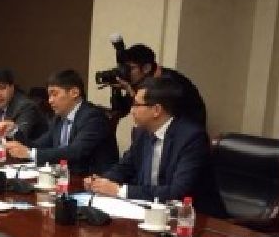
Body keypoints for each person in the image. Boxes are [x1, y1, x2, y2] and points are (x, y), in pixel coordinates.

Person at [87, 76, 226, 216]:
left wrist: (119, 191)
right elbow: (125, 167)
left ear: (156, 110)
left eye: (136, 105)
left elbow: (177, 191)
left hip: (193, 217)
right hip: (147, 209)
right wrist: (101, 182)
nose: (131, 110)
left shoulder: (192, 138)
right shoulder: (141, 132)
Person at [6, 69, 118, 175]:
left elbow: (75, 151)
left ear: (74, 92)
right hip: (65, 178)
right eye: (49, 96)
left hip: (92, 180)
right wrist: (14, 131)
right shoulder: (59, 119)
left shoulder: (93, 117)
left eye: (54, 94)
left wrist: (30, 153)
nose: (50, 100)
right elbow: (38, 146)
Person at [113, 43, 206, 128]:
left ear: (146, 68)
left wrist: (131, 92)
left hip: (184, 132)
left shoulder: (170, 82)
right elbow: (121, 111)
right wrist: (116, 89)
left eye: (130, 68)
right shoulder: (141, 81)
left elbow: (156, 115)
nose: (127, 72)